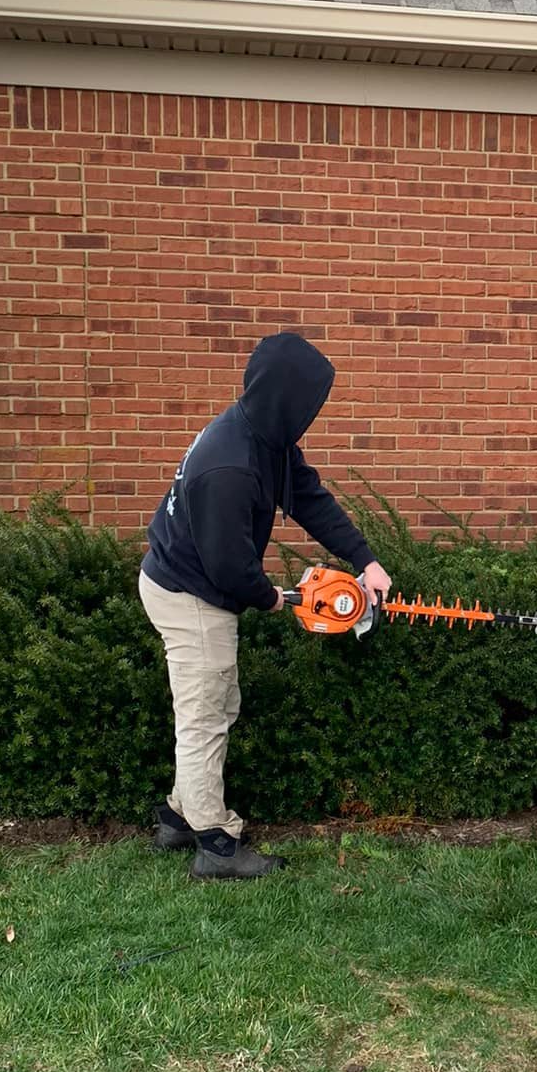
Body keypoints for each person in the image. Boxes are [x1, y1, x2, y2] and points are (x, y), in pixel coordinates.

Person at [140, 332, 391, 880]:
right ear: (285, 397)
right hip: (188, 593)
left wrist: (364, 559)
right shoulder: (229, 464)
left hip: (200, 584)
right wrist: (269, 596)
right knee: (205, 714)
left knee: (216, 703)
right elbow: (229, 567)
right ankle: (215, 845)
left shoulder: (265, 439)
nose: (312, 414)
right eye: (309, 403)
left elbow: (311, 500)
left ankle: (181, 816)